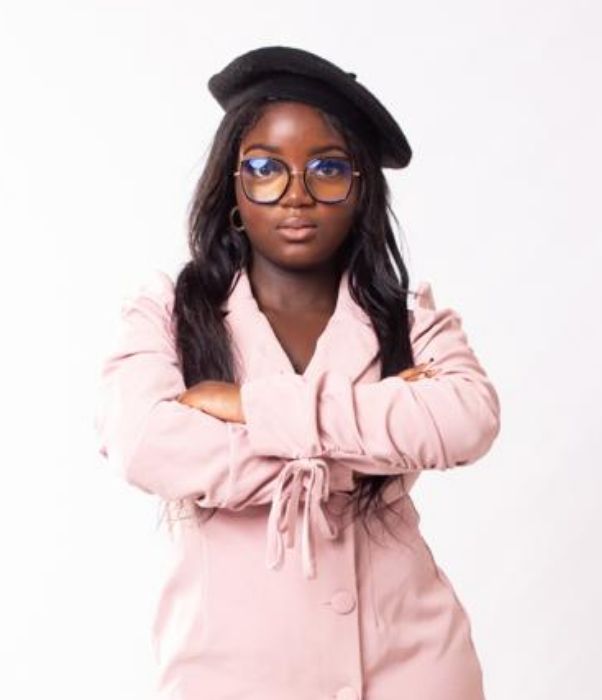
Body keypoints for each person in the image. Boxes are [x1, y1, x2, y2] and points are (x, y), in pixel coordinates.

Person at [95, 45, 501, 700]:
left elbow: (466, 420)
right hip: (230, 678)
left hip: (413, 668)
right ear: (233, 184)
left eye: (328, 169)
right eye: (264, 168)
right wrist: (371, 439)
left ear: (360, 188)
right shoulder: (169, 312)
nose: (296, 195)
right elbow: (143, 443)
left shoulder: (408, 318)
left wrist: (248, 407)